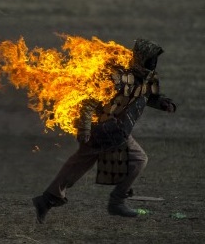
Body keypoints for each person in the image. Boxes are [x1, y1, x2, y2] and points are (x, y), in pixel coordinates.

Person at [32, 38, 176, 223]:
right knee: (131, 160)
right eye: (149, 59)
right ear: (140, 58)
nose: (153, 64)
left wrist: (163, 103)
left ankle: (47, 200)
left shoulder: (147, 79)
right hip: (99, 129)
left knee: (81, 163)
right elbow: (88, 103)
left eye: (155, 60)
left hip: (117, 129)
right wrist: (84, 129)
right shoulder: (118, 78)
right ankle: (115, 203)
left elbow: (147, 96)